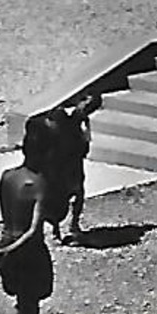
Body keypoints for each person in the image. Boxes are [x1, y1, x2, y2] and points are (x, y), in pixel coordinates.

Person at [0, 116, 54, 314]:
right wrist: (13, 252)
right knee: (31, 310)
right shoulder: (40, 185)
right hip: (28, 252)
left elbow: (7, 215)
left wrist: (4, 252)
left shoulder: (7, 177)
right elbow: (34, 231)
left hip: (5, 241)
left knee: (24, 303)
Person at [41, 95, 101, 243]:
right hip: (61, 160)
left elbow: (86, 144)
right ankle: (57, 228)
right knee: (60, 194)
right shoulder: (60, 114)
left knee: (77, 192)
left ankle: (73, 225)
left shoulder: (77, 118)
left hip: (72, 160)